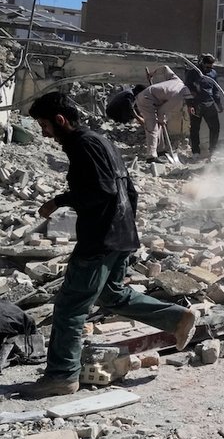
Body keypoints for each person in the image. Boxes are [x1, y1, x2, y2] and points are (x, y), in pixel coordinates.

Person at [23, 92, 199, 398]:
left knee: (69, 307)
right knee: (113, 295)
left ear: (60, 120)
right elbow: (129, 191)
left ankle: (62, 376)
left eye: (44, 125)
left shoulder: (81, 146)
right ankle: (177, 317)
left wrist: (58, 201)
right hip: (121, 235)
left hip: (100, 240)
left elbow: (101, 192)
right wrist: (127, 233)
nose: (44, 133)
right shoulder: (101, 141)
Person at [134, 66, 190, 163]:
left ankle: (160, 151)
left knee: (159, 125)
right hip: (146, 100)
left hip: (152, 98)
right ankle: (151, 156)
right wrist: (162, 119)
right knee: (153, 127)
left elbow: (165, 68)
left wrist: (153, 73)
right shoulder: (178, 96)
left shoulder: (178, 81)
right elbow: (161, 111)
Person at [185, 54, 224, 159]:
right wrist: (190, 104)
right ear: (202, 63)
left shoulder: (213, 73)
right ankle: (196, 152)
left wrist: (218, 103)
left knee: (215, 128)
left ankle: (212, 151)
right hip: (196, 104)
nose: (208, 70)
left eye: (210, 67)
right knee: (195, 128)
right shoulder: (193, 73)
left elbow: (215, 90)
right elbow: (187, 89)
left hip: (209, 104)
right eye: (207, 67)